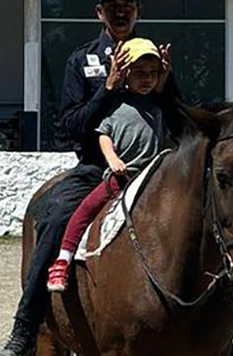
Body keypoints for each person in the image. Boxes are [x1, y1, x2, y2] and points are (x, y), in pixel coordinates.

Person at [0, 0, 233, 356]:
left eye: (127, 3)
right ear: (99, 12)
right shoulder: (81, 61)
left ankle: (222, 338)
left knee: (208, 222)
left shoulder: (152, 58)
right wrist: (107, 89)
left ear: (137, 10)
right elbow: (69, 126)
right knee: (54, 216)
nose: (120, 10)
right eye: (112, 4)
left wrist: (165, 87)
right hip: (99, 168)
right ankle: (25, 328)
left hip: (157, 167)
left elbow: (182, 124)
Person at [47, 37, 166, 292]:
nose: (147, 79)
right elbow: (103, 134)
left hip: (152, 176)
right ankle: (64, 258)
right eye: (139, 73)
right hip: (122, 174)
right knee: (85, 209)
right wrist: (113, 160)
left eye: (153, 74)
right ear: (124, 73)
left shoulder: (158, 106)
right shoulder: (114, 105)